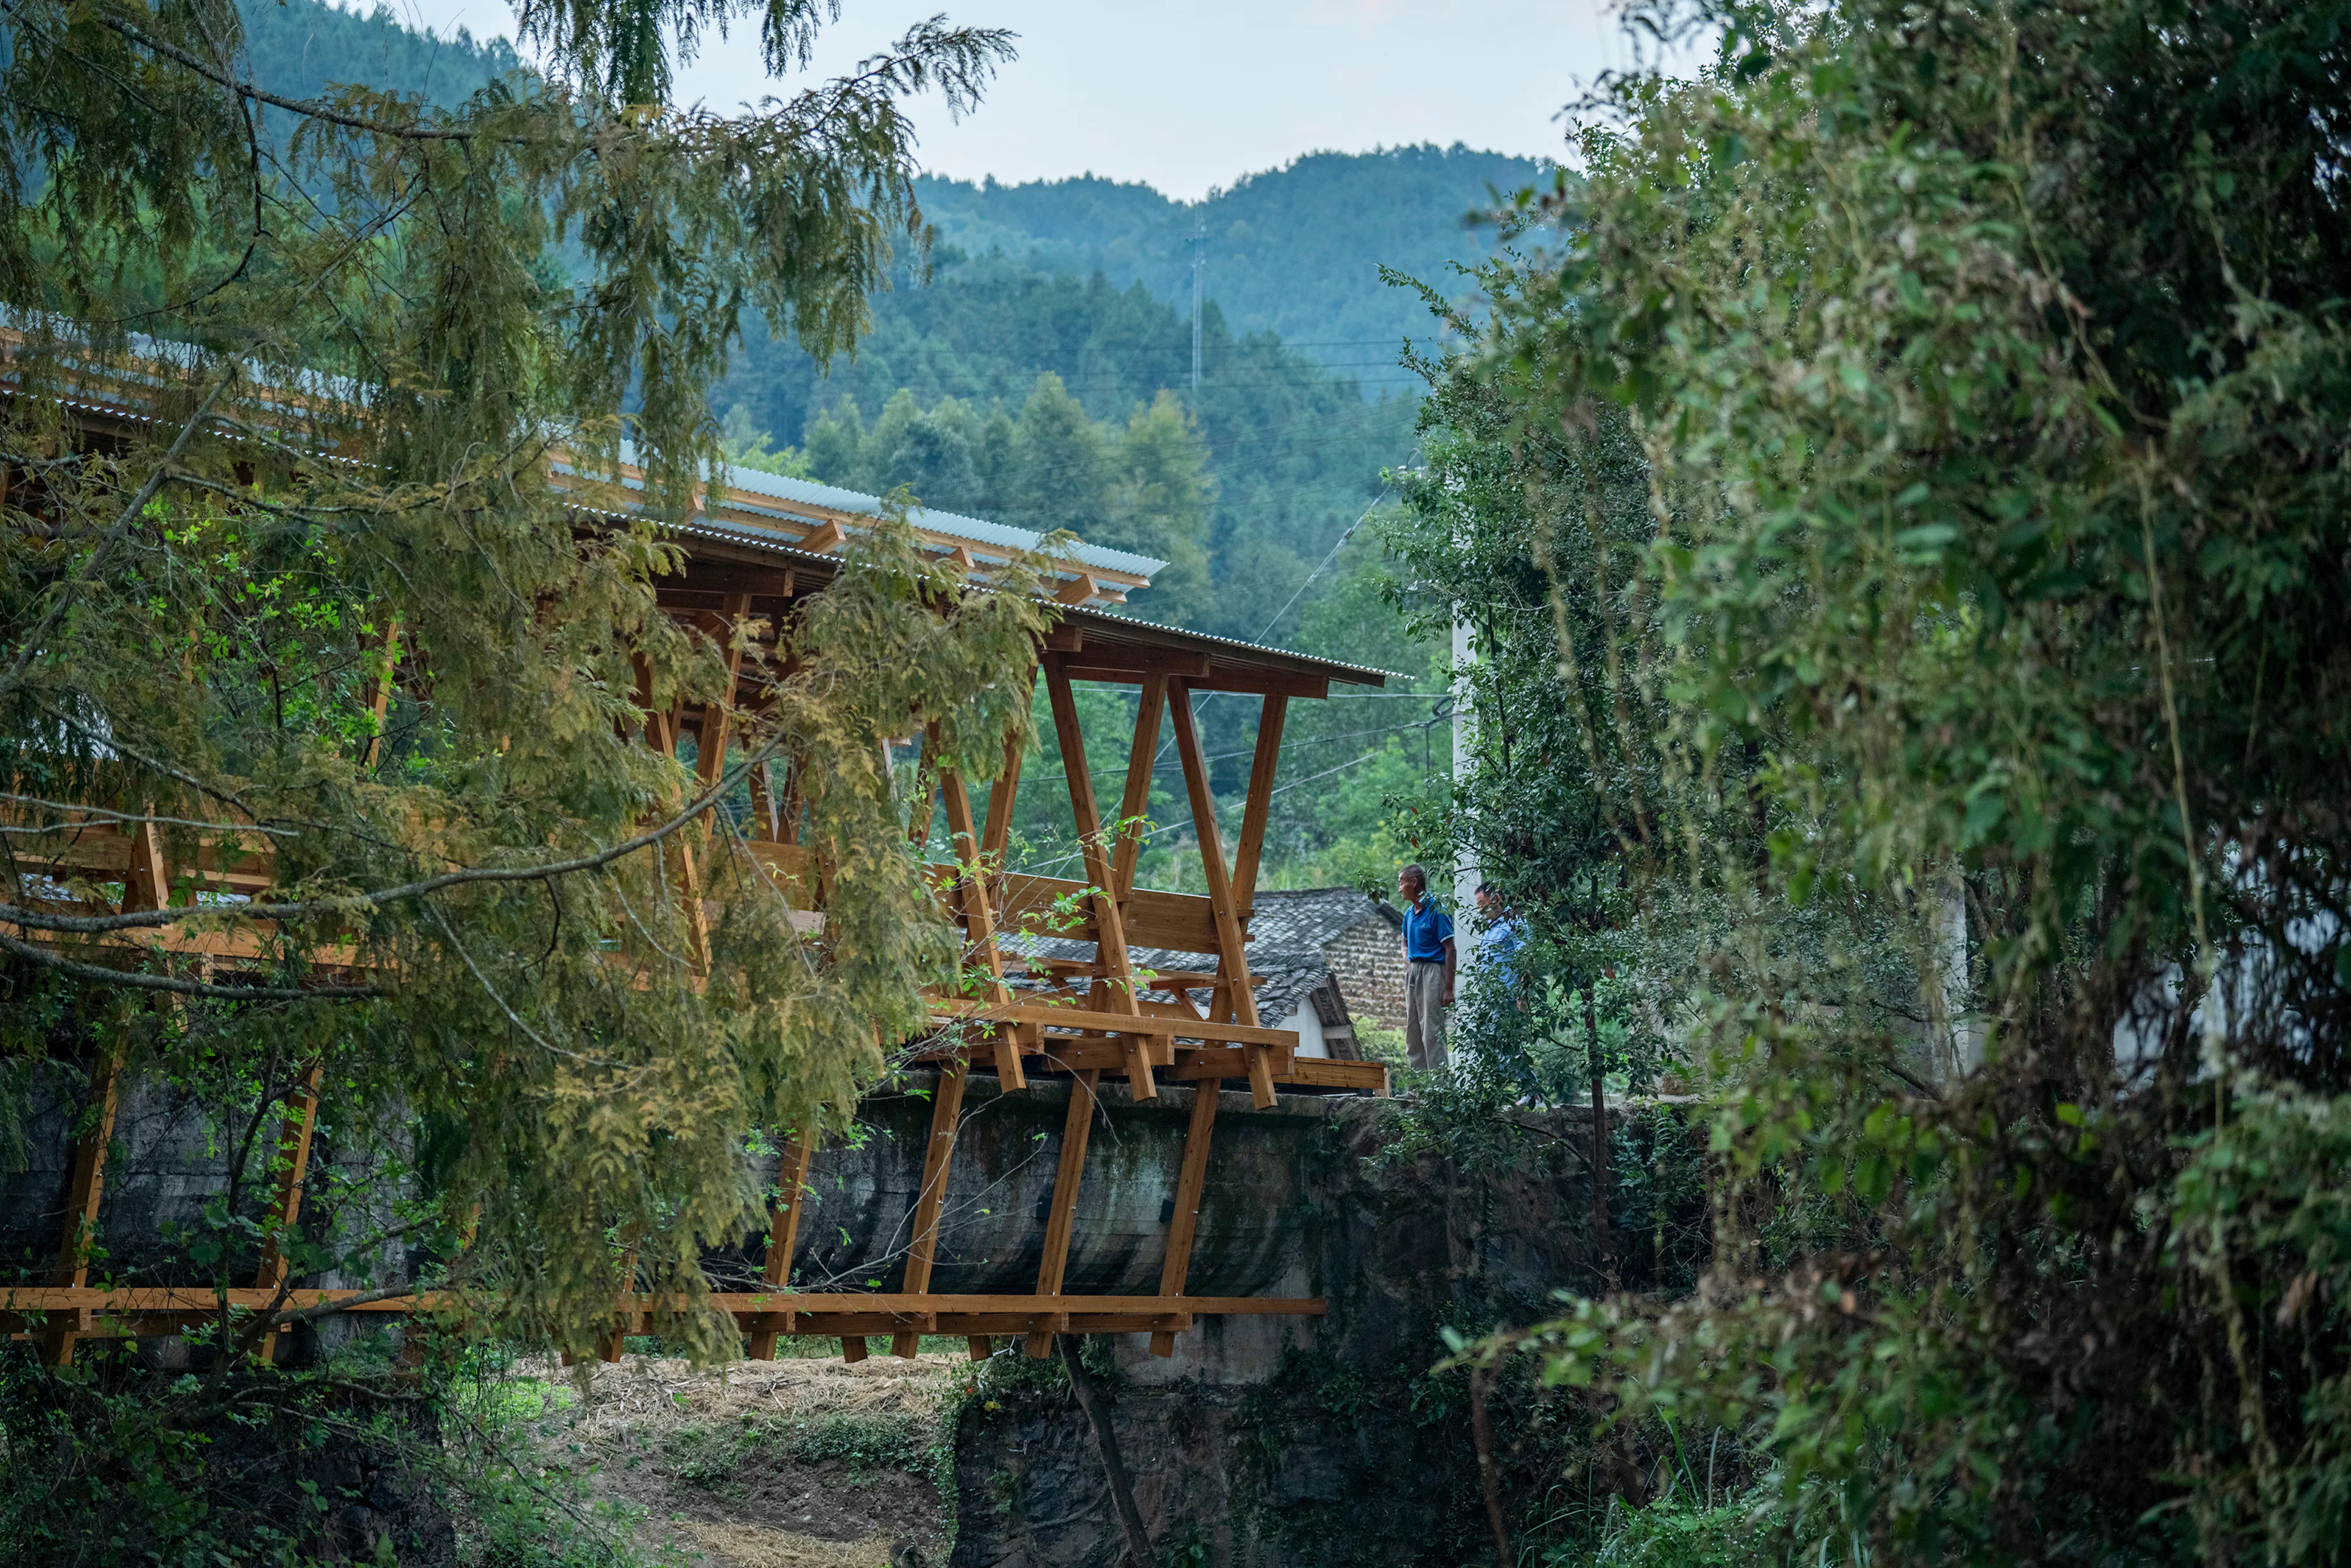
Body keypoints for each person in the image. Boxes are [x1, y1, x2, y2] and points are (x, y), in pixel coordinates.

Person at [1396, 863, 1455, 1073]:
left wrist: (1448, 988)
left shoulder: (1436, 910)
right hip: (1413, 972)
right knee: (1413, 1032)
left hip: (1433, 972)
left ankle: (1440, 1090)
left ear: (1414, 882)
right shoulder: (1409, 914)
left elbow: (1450, 949)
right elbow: (1404, 942)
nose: (1400, 888)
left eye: (1402, 882)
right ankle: (1418, 1090)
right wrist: (1408, 960)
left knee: (1432, 1031)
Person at [1475, 882, 1528, 1010]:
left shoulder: (1514, 922)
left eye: (1482, 904)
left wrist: (1523, 995)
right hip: (1491, 999)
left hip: (1510, 1000)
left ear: (1496, 898)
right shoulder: (1489, 927)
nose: (1481, 910)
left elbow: (1526, 958)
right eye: (1478, 906)